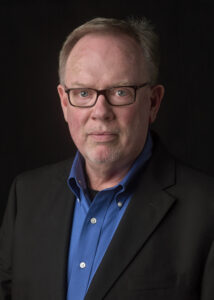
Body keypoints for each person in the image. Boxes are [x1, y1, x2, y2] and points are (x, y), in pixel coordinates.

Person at [0, 16, 214, 300]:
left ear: (153, 102)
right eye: (84, 93)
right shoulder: (26, 196)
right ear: (65, 103)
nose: (100, 112)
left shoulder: (206, 210)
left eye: (120, 91)